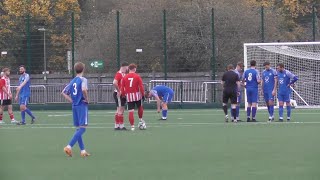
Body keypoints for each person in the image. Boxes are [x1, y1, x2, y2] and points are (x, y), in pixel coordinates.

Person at [61, 62, 90, 157]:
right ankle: (69, 146)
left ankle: (83, 151)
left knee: (78, 129)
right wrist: (87, 99)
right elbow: (84, 89)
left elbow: (63, 92)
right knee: (83, 128)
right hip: (81, 105)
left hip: (74, 106)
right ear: (83, 69)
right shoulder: (83, 79)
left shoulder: (72, 81)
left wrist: (72, 100)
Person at [121, 63, 145, 131]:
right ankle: (140, 120)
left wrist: (123, 95)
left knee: (130, 111)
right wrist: (143, 94)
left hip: (129, 96)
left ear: (129, 69)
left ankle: (132, 126)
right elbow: (141, 87)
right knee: (140, 107)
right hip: (137, 95)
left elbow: (122, 88)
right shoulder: (137, 76)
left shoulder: (125, 77)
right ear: (134, 69)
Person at [113, 62, 129, 130]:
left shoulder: (124, 74)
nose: (127, 69)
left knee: (120, 109)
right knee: (120, 109)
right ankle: (121, 125)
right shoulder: (119, 74)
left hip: (122, 94)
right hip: (119, 94)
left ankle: (117, 125)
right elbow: (114, 83)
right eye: (127, 68)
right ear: (124, 67)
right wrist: (119, 91)